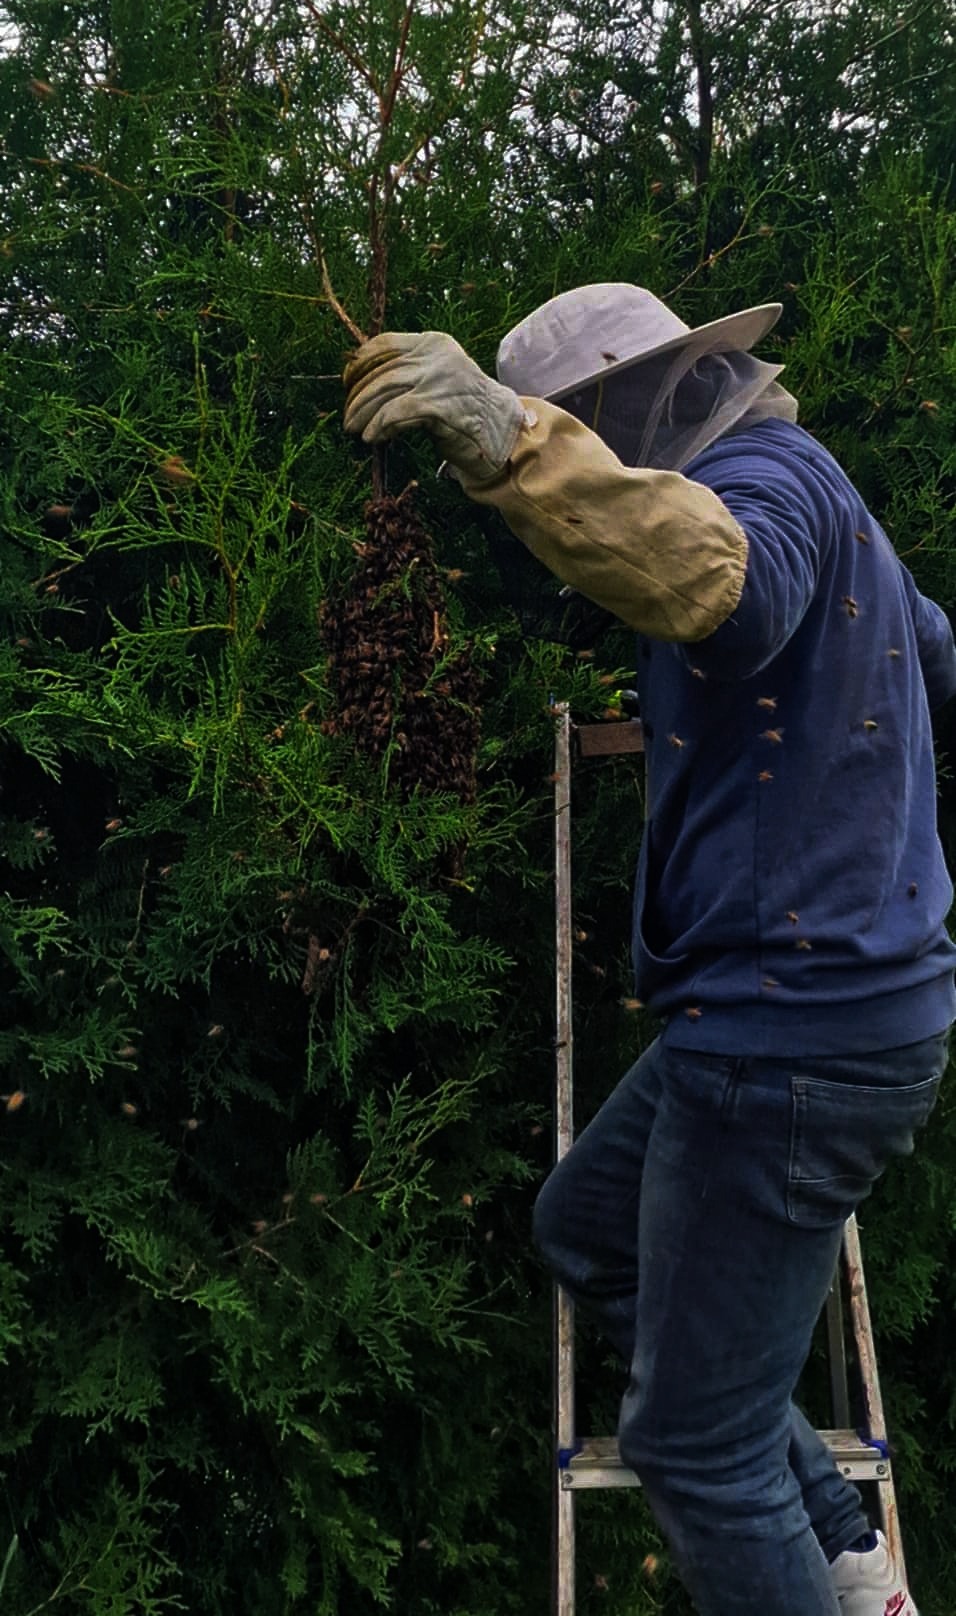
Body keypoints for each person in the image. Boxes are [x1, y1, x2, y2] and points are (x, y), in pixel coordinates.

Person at [342, 283, 956, 1616]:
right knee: (590, 1227)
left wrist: (508, 442)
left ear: (620, 404)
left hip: (787, 1034)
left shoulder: (758, 490)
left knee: (694, 1445)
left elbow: (724, 587)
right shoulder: (821, 489)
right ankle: (852, 1561)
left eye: (580, 426)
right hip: (814, 1015)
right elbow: (938, 655)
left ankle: (814, 1551)